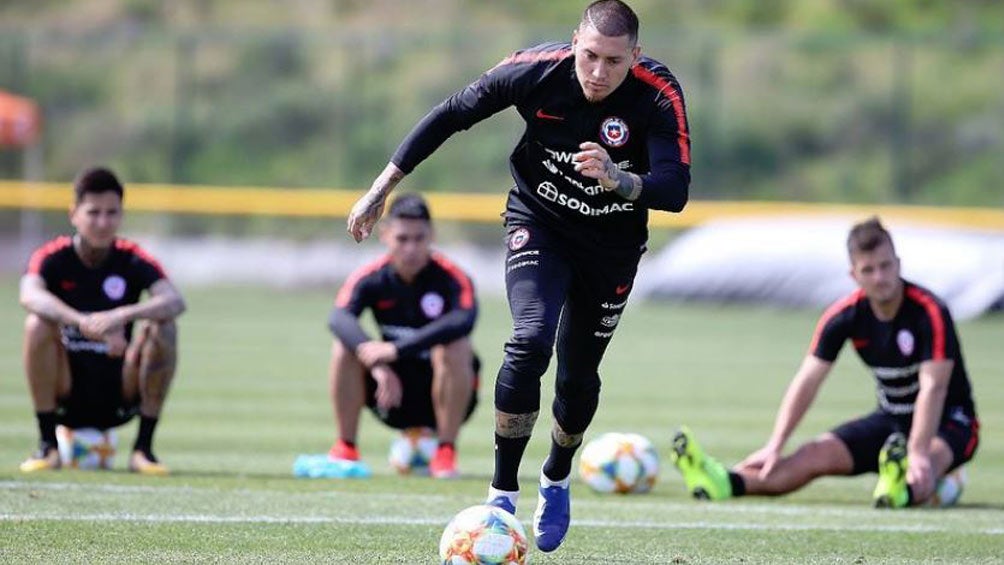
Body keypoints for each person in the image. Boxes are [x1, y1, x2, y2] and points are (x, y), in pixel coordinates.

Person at [347, 0, 690, 552]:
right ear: (574, 41)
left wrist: (620, 180)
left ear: (636, 57)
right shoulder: (534, 70)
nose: (598, 72)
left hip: (611, 249)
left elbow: (674, 189)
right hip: (540, 223)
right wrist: (379, 190)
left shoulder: (657, 92)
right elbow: (451, 114)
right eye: (589, 56)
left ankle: (556, 476)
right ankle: (502, 492)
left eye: (613, 61)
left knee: (577, 379)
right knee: (529, 340)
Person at [671, 217, 980, 508]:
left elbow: (933, 388)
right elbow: (808, 380)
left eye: (886, 266)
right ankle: (724, 480)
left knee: (929, 460)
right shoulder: (843, 316)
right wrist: (775, 444)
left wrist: (917, 452)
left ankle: (899, 489)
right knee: (813, 455)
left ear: (898, 264)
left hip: (952, 421)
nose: (880, 277)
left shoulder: (930, 311)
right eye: (869, 269)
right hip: (890, 420)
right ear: (853, 275)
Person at [18, 166, 186, 475]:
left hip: (119, 386)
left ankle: (143, 450)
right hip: (65, 387)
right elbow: (29, 295)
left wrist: (120, 315)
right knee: (36, 324)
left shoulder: (132, 257)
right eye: (94, 212)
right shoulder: (53, 257)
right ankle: (47, 446)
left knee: (164, 327)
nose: (103, 222)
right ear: (74, 214)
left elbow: (174, 300)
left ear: (121, 215)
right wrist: (83, 323)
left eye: (112, 213)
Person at [328, 193, 480, 479]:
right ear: (385, 235)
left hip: (446, 398)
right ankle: (345, 449)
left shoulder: (451, 277)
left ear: (431, 236)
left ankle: (445, 453)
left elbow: (464, 319)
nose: (411, 248)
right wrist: (377, 363)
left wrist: (395, 350)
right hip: (390, 394)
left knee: (456, 346)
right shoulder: (372, 277)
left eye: (419, 238)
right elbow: (339, 317)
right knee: (344, 348)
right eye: (402, 239)